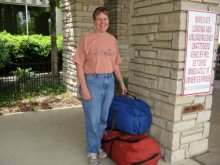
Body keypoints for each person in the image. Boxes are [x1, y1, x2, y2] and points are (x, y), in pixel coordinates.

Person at [72, 7, 127, 165]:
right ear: (95, 21)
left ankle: (96, 146)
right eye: (99, 19)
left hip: (108, 81)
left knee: (103, 119)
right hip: (92, 81)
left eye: (105, 19)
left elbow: (115, 64)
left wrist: (121, 82)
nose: (103, 22)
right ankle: (92, 150)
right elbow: (79, 64)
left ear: (108, 21)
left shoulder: (112, 39)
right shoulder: (87, 38)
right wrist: (84, 87)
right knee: (92, 119)